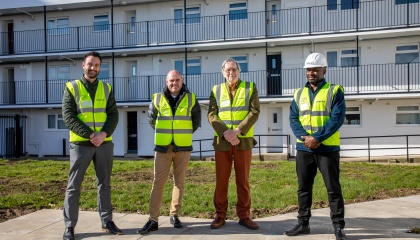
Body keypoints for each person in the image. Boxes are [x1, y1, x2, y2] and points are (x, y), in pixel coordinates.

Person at [285, 52, 347, 240]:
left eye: (315, 69)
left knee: (333, 189)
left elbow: (337, 119)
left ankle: (338, 228)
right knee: (303, 188)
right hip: (304, 149)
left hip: (327, 148)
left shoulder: (335, 91)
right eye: (308, 69)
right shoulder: (298, 93)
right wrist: (305, 138)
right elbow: (293, 118)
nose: (311, 72)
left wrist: (317, 138)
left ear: (324, 70)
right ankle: (303, 224)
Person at [61, 51, 121, 240]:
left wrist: (103, 134)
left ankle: (107, 221)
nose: (93, 68)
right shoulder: (72, 87)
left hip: (104, 143)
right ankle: (69, 226)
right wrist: (90, 135)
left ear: (100, 67)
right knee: (74, 186)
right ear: (83, 65)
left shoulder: (107, 88)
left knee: (105, 183)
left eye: (96, 65)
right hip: (81, 144)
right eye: (90, 64)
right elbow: (68, 116)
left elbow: (113, 115)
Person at [137, 70, 201, 235]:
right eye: (171, 80)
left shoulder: (191, 99)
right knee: (158, 182)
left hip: (183, 147)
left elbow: (196, 122)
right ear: (166, 82)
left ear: (182, 80)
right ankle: (153, 219)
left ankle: (174, 215)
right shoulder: (157, 98)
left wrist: (181, 134)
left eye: (177, 80)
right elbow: (152, 120)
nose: (174, 83)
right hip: (163, 147)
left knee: (179, 182)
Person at [208, 58, 260, 230]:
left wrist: (237, 132)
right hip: (223, 143)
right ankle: (219, 215)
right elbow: (212, 115)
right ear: (223, 72)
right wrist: (226, 133)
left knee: (242, 180)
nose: (231, 73)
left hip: (242, 142)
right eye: (228, 70)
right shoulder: (216, 90)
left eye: (234, 69)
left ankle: (244, 216)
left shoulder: (250, 87)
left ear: (239, 71)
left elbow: (254, 112)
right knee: (221, 181)